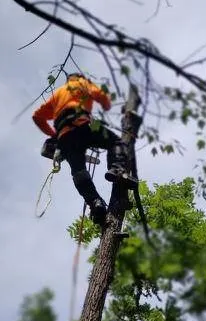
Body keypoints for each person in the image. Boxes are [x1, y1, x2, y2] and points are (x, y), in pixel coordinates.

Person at [32, 73, 137, 225]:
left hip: (64, 139)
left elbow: (37, 117)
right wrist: (106, 104)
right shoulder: (82, 83)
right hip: (82, 126)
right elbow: (100, 96)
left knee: (79, 173)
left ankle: (95, 203)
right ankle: (117, 170)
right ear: (79, 77)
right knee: (116, 142)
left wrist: (54, 134)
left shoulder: (57, 94)